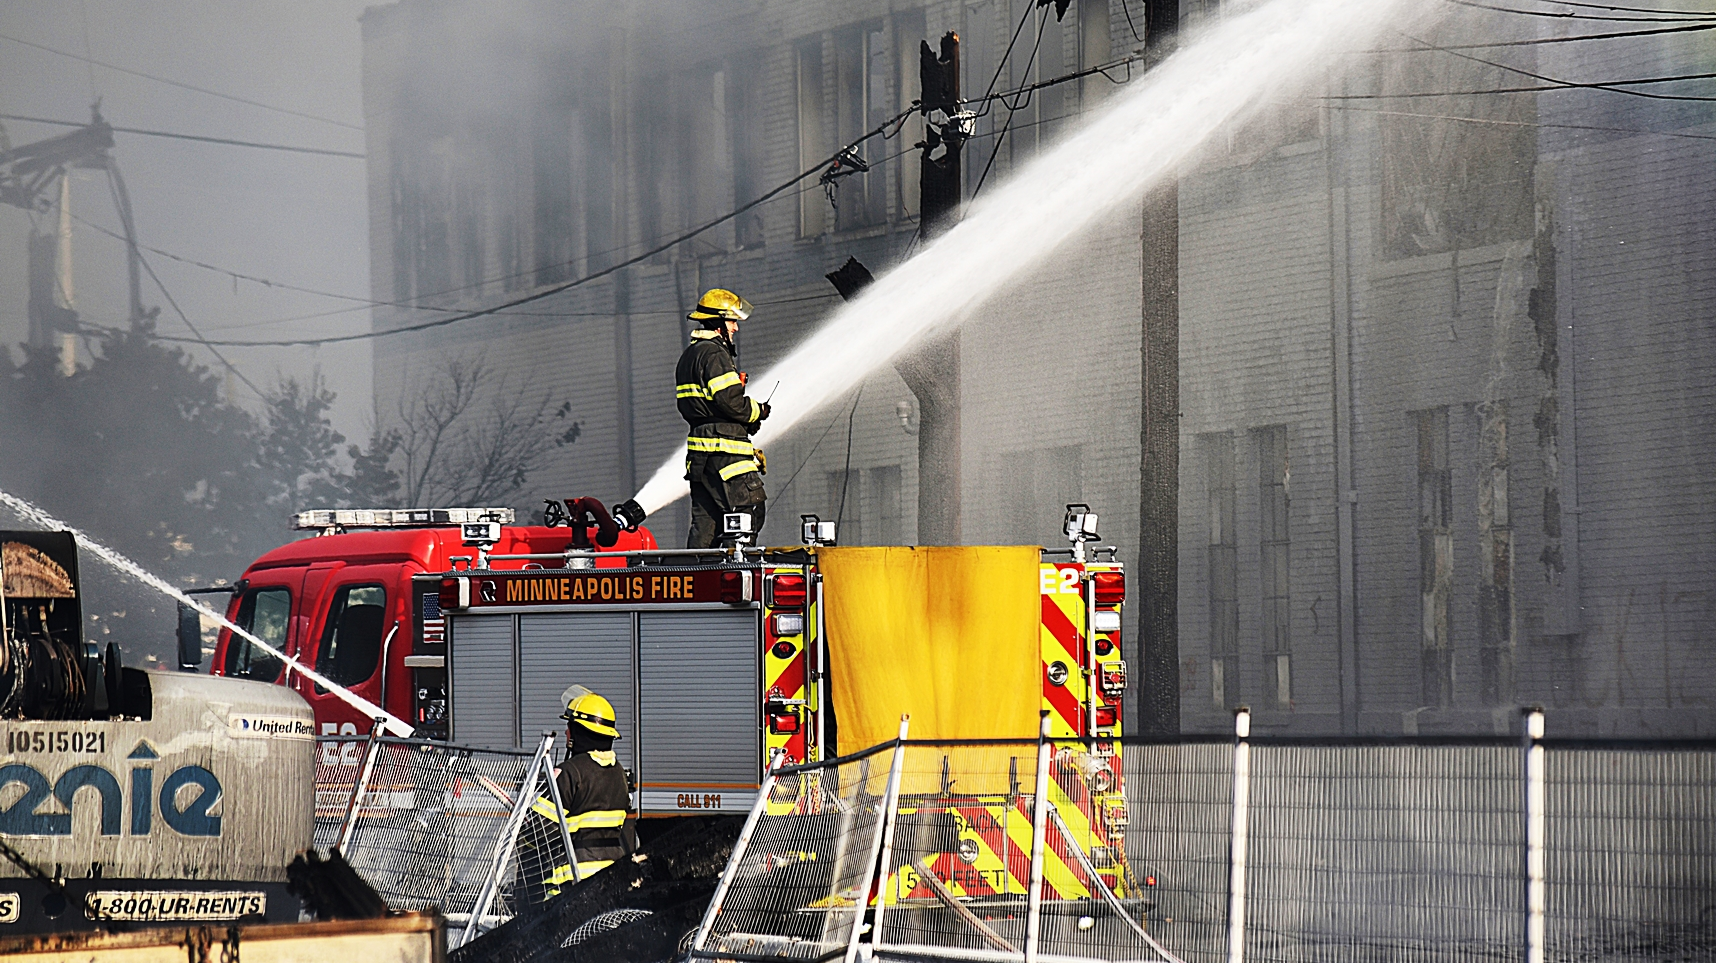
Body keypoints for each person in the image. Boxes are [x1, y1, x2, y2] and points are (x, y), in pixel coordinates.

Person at [676, 288, 770, 548]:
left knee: (706, 529)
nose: (735, 329)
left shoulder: (689, 356)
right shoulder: (715, 354)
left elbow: (707, 405)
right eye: (732, 322)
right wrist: (758, 411)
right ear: (718, 323)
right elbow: (731, 402)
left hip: (701, 459)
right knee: (748, 513)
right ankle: (734, 579)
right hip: (725, 455)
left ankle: (696, 580)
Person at [540, 690, 635, 891]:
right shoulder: (619, 773)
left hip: (571, 883)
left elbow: (539, 833)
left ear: (581, 732)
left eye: (570, 727)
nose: (567, 732)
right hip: (612, 878)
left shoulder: (570, 773)